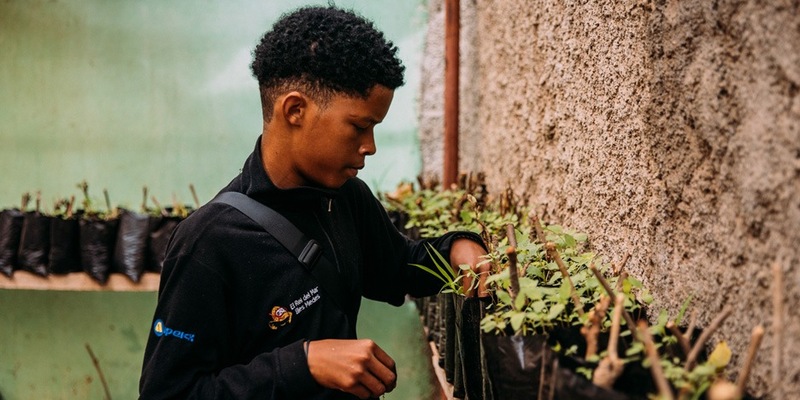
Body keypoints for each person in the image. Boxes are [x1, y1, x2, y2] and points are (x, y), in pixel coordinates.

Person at [138, 5, 487, 400]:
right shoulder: (209, 242)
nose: (369, 146)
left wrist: (457, 247)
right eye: (359, 126)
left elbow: (398, 267)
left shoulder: (345, 199)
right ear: (295, 110)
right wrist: (301, 365)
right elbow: (169, 393)